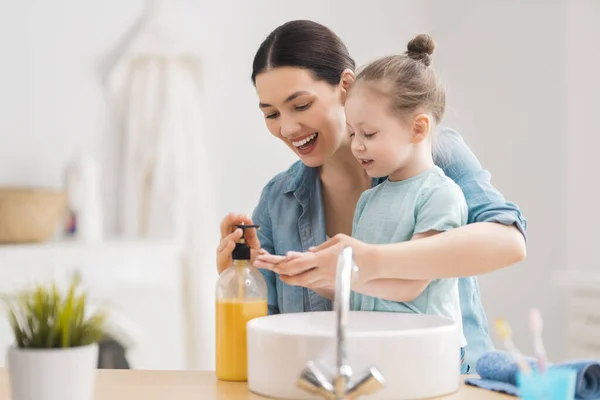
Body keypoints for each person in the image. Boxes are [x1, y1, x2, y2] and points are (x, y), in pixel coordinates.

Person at [216, 20, 527, 372]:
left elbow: (508, 242)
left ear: (345, 86)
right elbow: (264, 345)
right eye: (271, 114)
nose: (286, 128)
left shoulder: (427, 149)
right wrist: (241, 280)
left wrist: (365, 261)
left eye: (300, 106)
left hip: (447, 378)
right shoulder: (278, 198)